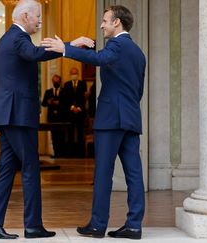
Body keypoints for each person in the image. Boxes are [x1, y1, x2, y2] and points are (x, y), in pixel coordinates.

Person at [42, 5, 146, 239]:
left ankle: (98, 225)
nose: (102, 25)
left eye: (105, 21)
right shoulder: (138, 52)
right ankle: (134, 226)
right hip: (130, 117)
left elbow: (99, 59)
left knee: (103, 173)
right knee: (134, 174)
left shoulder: (116, 45)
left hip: (110, 119)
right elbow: (138, 90)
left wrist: (65, 48)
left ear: (117, 22)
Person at [0, 0, 62, 239]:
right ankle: (33, 226)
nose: (39, 20)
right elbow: (35, 54)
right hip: (18, 116)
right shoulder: (19, 38)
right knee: (30, 167)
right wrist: (65, 47)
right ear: (25, 16)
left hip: (9, 115)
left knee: (7, 169)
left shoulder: (9, 37)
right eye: (37, 16)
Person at [41, 74, 67, 157]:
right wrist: (48, 102)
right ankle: (55, 153)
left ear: (60, 81)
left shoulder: (64, 91)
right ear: (52, 81)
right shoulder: (48, 92)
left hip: (61, 117)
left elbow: (67, 103)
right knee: (54, 136)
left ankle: (61, 153)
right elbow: (43, 103)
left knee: (61, 136)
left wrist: (60, 103)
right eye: (54, 81)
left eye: (57, 81)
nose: (56, 82)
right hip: (52, 117)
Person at [63, 67, 87, 157]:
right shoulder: (67, 85)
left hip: (80, 113)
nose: (74, 75)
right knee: (70, 133)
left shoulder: (82, 84)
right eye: (73, 73)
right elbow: (66, 98)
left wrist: (79, 108)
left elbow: (84, 98)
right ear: (70, 74)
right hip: (70, 113)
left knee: (80, 133)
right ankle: (70, 153)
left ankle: (81, 154)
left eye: (75, 73)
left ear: (78, 74)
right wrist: (72, 107)